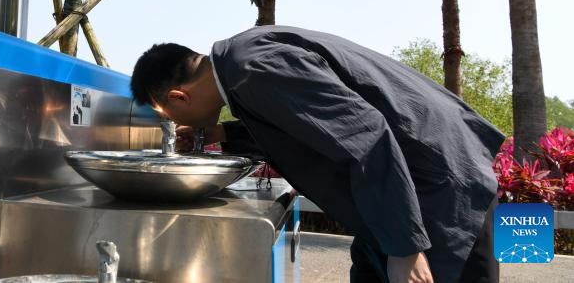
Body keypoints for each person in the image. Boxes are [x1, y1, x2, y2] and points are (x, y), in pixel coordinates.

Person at [130, 26, 504, 283]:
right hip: (395, 196)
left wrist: (406, 249)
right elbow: (306, 128)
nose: (173, 123)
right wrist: (223, 133)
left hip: (438, 192)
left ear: (179, 97)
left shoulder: (254, 69)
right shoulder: (241, 61)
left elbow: (367, 137)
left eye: (166, 114)